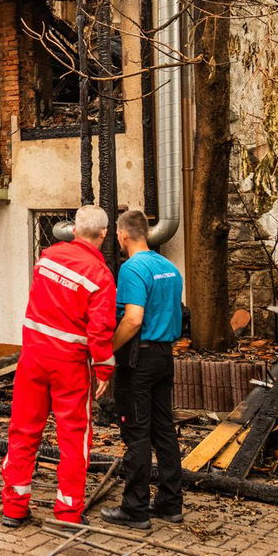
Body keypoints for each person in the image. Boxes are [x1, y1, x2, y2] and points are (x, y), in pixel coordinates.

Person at [0, 204, 117, 526]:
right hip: (70, 365)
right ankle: (68, 513)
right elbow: (101, 329)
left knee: (23, 430)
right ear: (104, 234)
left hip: (32, 358)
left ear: (74, 230)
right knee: (73, 437)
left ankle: (14, 508)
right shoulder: (100, 276)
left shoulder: (47, 258)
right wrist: (104, 369)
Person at [101, 208, 185, 530]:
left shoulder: (132, 268)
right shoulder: (169, 268)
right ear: (146, 233)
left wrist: (108, 350)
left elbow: (133, 319)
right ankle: (170, 503)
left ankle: (135, 508)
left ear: (122, 235)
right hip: (165, 356)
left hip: (139, 359)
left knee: (136, 433)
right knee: (163, 429)